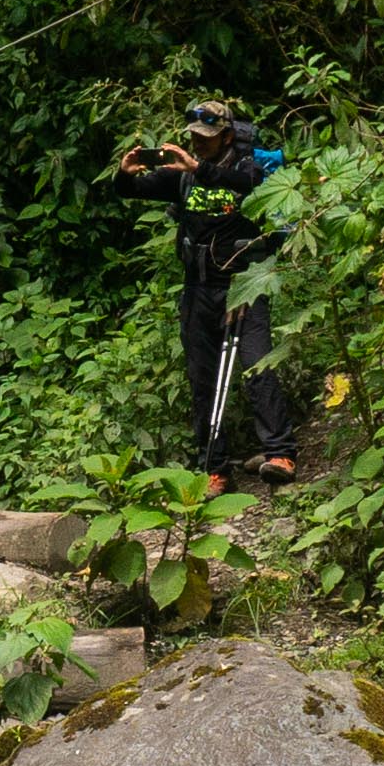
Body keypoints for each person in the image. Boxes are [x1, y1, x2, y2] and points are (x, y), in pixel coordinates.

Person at [114, 96, 290, 482]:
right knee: (202, 376)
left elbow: (253, 185)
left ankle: (279, 454)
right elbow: (132, 192)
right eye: (195, 136)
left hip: (244, 284)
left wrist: (202, 168)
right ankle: (214, 467)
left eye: (207, 137)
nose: (199, 143)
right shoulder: (184, 173)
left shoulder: (248, 167)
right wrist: (125, 174)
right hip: (199, 287)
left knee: (257, 365)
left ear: (226, 136)